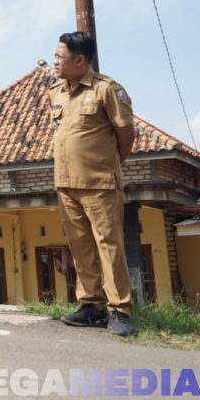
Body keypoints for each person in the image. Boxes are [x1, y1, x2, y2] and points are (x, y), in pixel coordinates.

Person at [49, 31, 136, 336]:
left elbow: (126, 135)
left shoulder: (107, 90)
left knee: (109, 246)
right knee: (80, 247)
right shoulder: (56, 92)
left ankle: (119, 310)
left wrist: (110, 165)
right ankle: (91, 306)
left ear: (80, 60)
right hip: (66, 184)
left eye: (60, 56)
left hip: (99, 184)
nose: (55, 61)